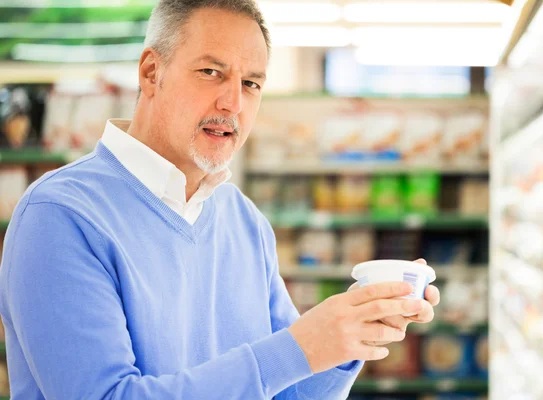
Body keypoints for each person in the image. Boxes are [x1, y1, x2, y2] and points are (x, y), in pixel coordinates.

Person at [0, 1, 440, 399]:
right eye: (211, 72)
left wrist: (352, 332)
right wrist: (298, 348)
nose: (232, 102)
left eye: (251, 83)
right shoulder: (60, 216)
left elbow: (289, 392)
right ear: (152, 73)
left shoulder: (241, 218)